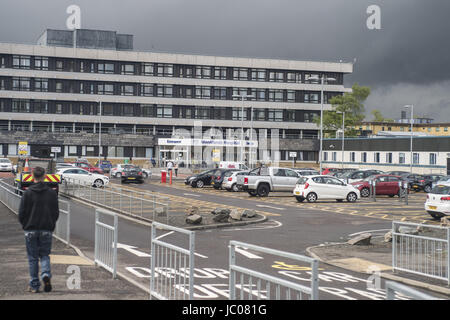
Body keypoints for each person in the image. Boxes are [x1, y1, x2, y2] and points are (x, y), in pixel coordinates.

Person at [18, 166, 59, 293]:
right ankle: (45, 274)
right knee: (45, 255)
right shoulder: (52, 193)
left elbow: (21, 213)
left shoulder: (28, 193)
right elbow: (55, 212)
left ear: (32, 175)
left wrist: (25, 225)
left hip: (30, 229)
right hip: (46, 229)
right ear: (45, 176)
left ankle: (34, 286)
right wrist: (51, 224)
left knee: (33, 258)